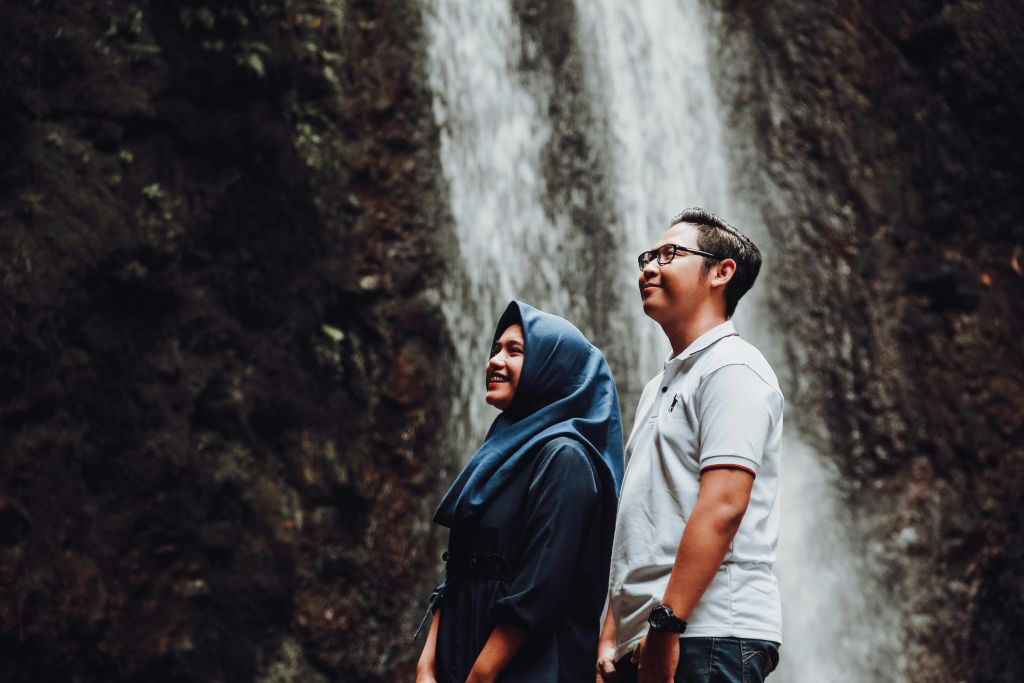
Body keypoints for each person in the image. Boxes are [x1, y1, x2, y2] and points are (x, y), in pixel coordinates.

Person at [596, 209, 784, 683]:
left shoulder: (733, 367)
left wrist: (665, 624)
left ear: (722, 272)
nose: (649, 267)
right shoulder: (661, 383)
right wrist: (612, 630)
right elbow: (647, 514)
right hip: (652, 637)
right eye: (648, 257)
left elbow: (723, 506)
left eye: (670, 254)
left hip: (708, 632)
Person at [416, 301, 625, 683]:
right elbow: (459, 566)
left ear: (553, 368)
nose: (495, 360)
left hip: (524, 668)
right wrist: (427, 663)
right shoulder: (501, 451)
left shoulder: (567, 457)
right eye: (495, 348)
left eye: (515, 351)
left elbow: (540, 587)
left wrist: (481, 675)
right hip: (461, 659)